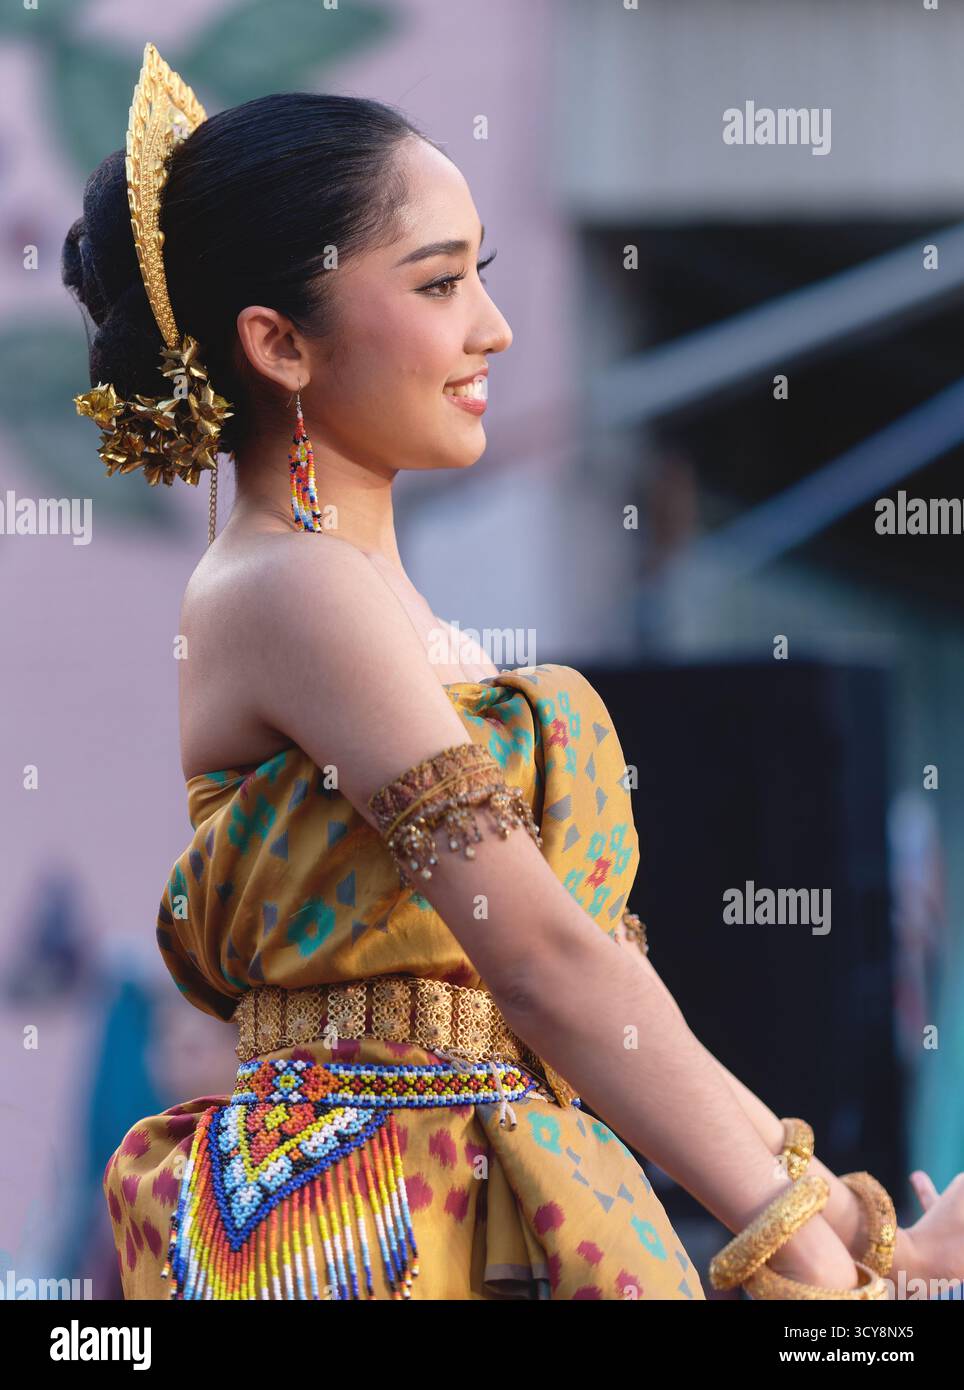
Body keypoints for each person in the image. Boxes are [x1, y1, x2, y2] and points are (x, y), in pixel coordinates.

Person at [63, 44, 963, 1302]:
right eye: (437, 285)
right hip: (366, 1218)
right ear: (278, 343)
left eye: (479, 274)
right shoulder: (293, 586)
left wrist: (856, 1234)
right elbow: (542, 959)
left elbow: (592, 975)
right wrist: (814, 1252)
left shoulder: (369, 593)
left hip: (490, 1181)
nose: (491, 327)